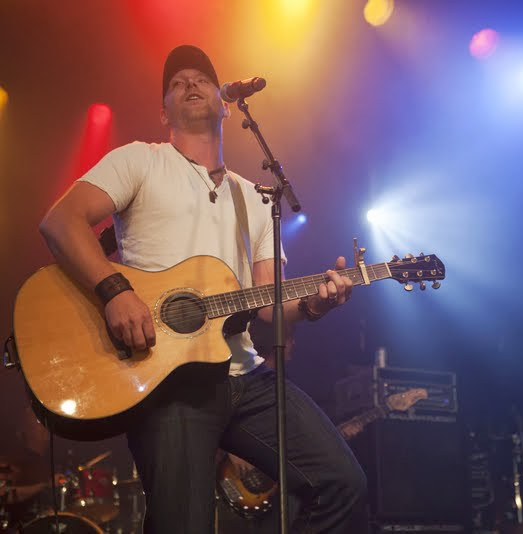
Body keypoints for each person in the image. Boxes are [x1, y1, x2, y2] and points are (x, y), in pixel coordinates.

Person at [38, 44, 366, 533]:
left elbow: (270, 305)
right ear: (163, 111)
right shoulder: (140, 161)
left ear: (226, 104)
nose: (190, 84)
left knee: (342, 482)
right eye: (177, 82)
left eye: (202, 79)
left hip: (246, 377)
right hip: (168, 380)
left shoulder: (256, 198)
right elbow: (60, 221)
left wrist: (316, 306)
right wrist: (115, 291)